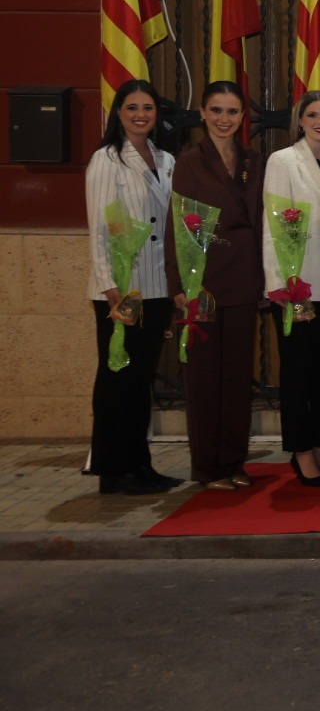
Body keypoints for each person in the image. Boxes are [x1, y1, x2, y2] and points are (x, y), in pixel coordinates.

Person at [163, 80, 263, 492]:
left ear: (243, 117)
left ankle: (233, 461)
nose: (224, 119)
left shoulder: (255, 161)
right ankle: (207, 468)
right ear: (202, 114)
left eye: (232, 112)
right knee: (203, 379)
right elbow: (178, 229)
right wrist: (180, 285)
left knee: (238, 379)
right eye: (216, 111)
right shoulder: (188, 162)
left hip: (244, 278)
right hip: (201, 283)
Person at [86, 79, 180, 496]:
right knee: (116, 380)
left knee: (141, 380)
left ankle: (139, 464)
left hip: (156, 287)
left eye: (148, 108)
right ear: (118, 113)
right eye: (132, 108)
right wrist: (110, 288)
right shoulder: (107, 160)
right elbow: (100, 229)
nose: (141, 115)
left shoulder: (166, 158)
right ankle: (112, 469)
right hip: (123, 291)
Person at [263, 90, 320, 488]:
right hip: (299, 283)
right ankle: (301, 452)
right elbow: (273, 226)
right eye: (313, 114)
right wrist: (281, 285)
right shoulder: (282, 162)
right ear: (300, 120)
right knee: (299, 373)